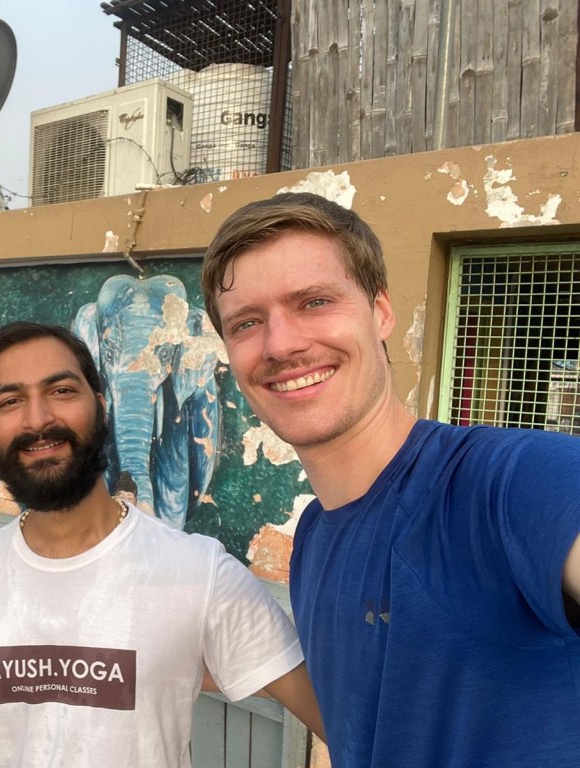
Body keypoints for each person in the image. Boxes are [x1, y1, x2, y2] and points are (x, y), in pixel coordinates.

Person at [200, 192, 580, 767]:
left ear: (380, 310)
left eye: (315, 301)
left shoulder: (510, 481)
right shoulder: (314, 539)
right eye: (247, 323)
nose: (281, 344)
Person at [0, 321, 324, 767]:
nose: (38, 419)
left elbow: (337, 713)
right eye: (10, 401)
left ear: (102, 406)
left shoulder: (199, 570)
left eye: (62, 391)